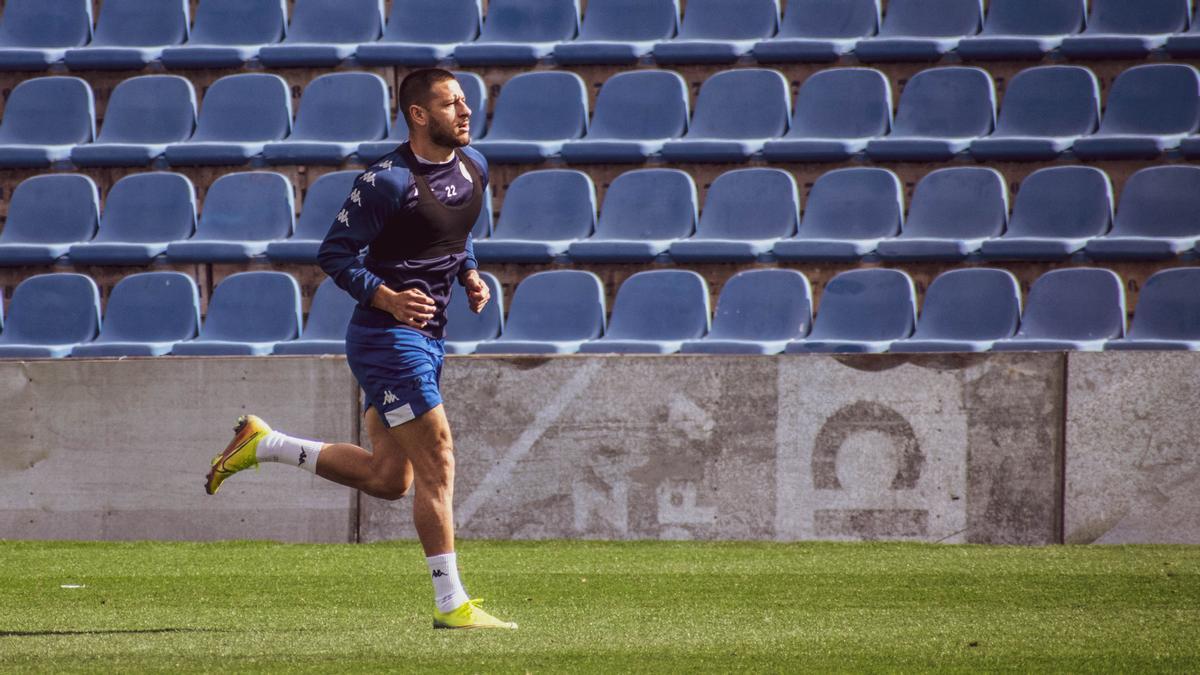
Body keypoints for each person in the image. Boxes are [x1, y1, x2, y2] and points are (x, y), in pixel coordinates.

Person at [203, 68, 515, 630]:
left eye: (465, 102)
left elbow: (456, 230)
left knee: (389, 479)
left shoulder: (475, 166)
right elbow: (335, 256)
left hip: (428, 336)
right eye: (450, 104)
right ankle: (453, 605)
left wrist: (469, 273)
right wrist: (390, 299)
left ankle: (265, 444)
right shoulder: (387, 181)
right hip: (386, 339)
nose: (466, 112)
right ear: (419, 115)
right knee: (438, 459)